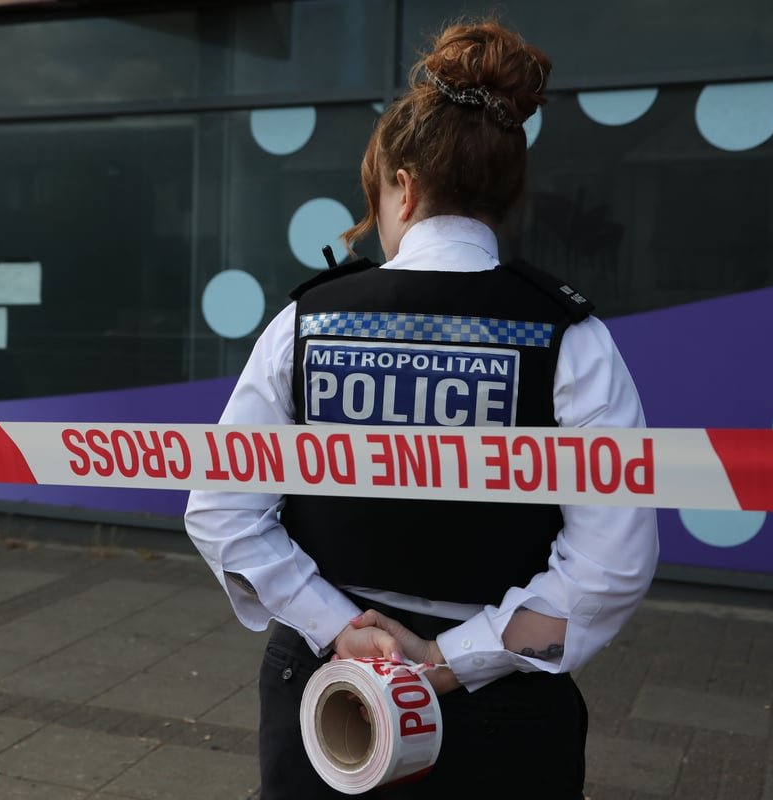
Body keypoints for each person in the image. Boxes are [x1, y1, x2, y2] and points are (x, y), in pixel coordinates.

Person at [184, 18, 659, 799]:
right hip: (499, 712)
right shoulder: (572, 337)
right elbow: (612, 567)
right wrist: (446, 662)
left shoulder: (306, 322)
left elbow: (222, 511)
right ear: (506, 196)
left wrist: (343, 630)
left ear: (400, 183)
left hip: (330, 697)